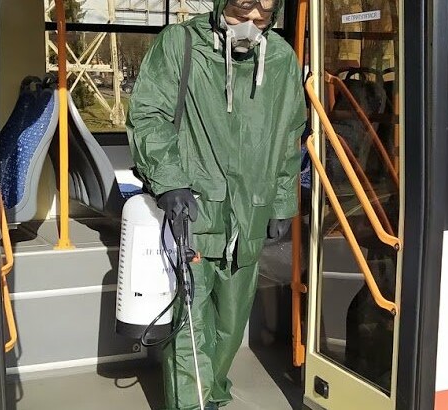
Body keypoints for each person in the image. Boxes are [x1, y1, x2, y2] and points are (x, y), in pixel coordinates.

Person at [125, 0, 306, 409]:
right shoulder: (181, 44)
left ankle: (211, 391)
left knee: (230, 322)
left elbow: (288, 134)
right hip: (194, 209)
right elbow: (149, 114)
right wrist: (170, 182)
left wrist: (281, 201)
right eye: (241, 12)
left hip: (250, 211)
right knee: (191, 323)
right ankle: (193, 403)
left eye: (262, 16)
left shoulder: (280, 58)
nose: (251, 24)